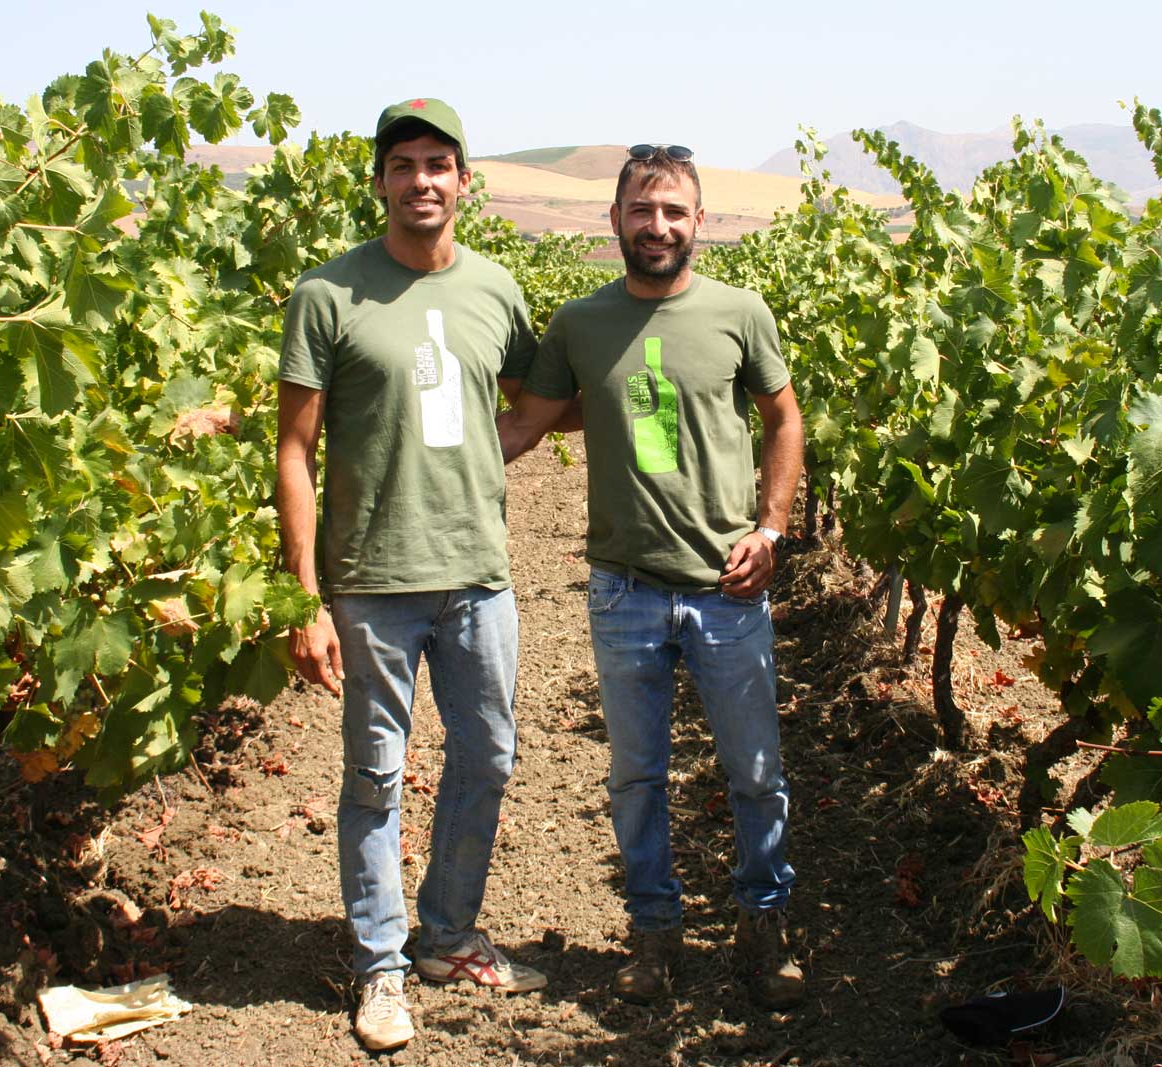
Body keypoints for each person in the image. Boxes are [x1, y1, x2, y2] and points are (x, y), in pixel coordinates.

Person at [496, 144, 806, 1009]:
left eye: (674, 211)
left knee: (753, 771)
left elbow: (784, 420)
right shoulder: (580, 325)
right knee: (637, 777)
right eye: (643, 209)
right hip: (624, 589)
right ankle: (654, 933)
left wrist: (773, 528)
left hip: (727, 587)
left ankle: (764, 926)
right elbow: (522, 427)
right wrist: (399, 451)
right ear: (616, 220)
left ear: (700, 221)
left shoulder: (740, 314)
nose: (658, 225)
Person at [276, 97, 548, 1052]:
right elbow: (295, 450)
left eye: (439, 164)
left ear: (463, 182)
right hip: (371, 580)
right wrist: (303, 596)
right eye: (405, 165)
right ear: (382, 182)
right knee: (375, 776)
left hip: (478, 572)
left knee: (490, 757)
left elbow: (535, 396)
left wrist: (490, 450)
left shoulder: (495, 288)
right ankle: (381, 966)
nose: (422, 180)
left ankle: (447, 933)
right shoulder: (328, 294)